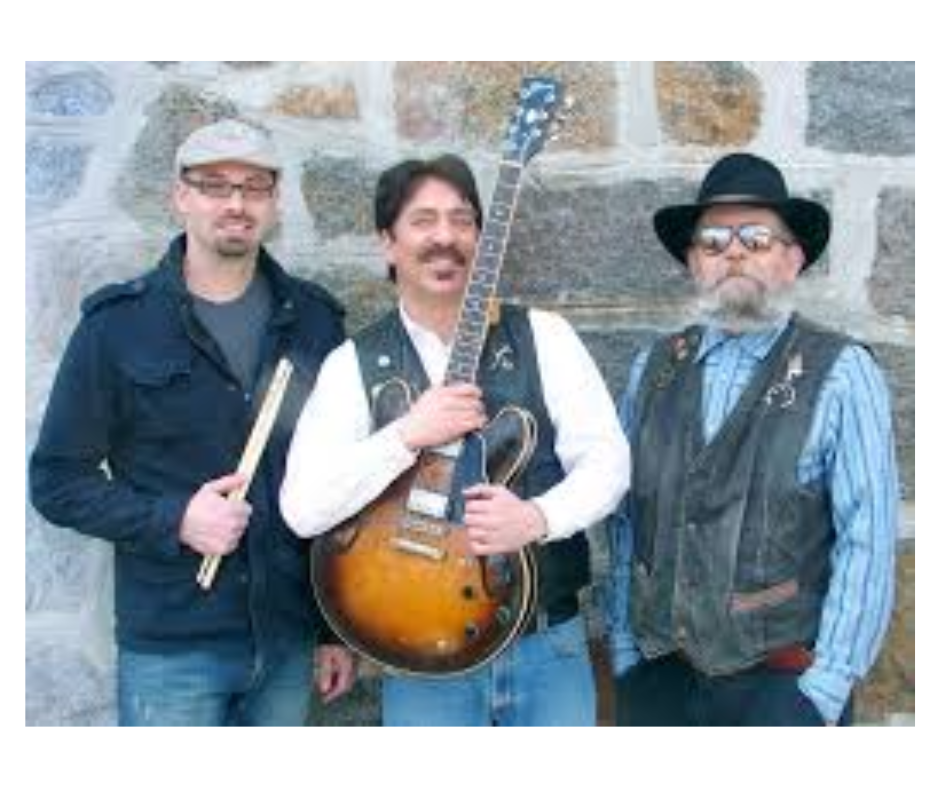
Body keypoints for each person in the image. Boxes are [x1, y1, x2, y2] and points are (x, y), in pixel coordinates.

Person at [280, 154, 631, 726]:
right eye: (423, 220)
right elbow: (301, 507)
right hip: (422, 663)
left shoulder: (545, 336)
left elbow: (608, 461)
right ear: (387, 243)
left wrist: (539, 516)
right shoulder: (354, 364)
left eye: (461, 219)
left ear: (481, 239)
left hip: (549, 647)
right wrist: (405, 435)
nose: (444, 236)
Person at [29, 118, 357, 725]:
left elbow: (337, 482)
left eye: (255, 186)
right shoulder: (116, 325)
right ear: (180, 197)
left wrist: (329, 625)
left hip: (287, 640)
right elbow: (55, 481)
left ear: (275, 202)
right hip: (172, 648)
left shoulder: (314, 321)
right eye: (213, 184)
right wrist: (175, 518)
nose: (236, 202)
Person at [604, 151, 899, 726]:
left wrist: (824, 688)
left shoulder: (839, 371)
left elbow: (868, 536)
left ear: (792, 260)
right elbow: (624, 519)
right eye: (712, 242)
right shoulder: (653, 368)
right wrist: (623, 647)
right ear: (694, 263)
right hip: (657, 677)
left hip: (782, 685)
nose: (732, 252)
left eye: (756, 238)